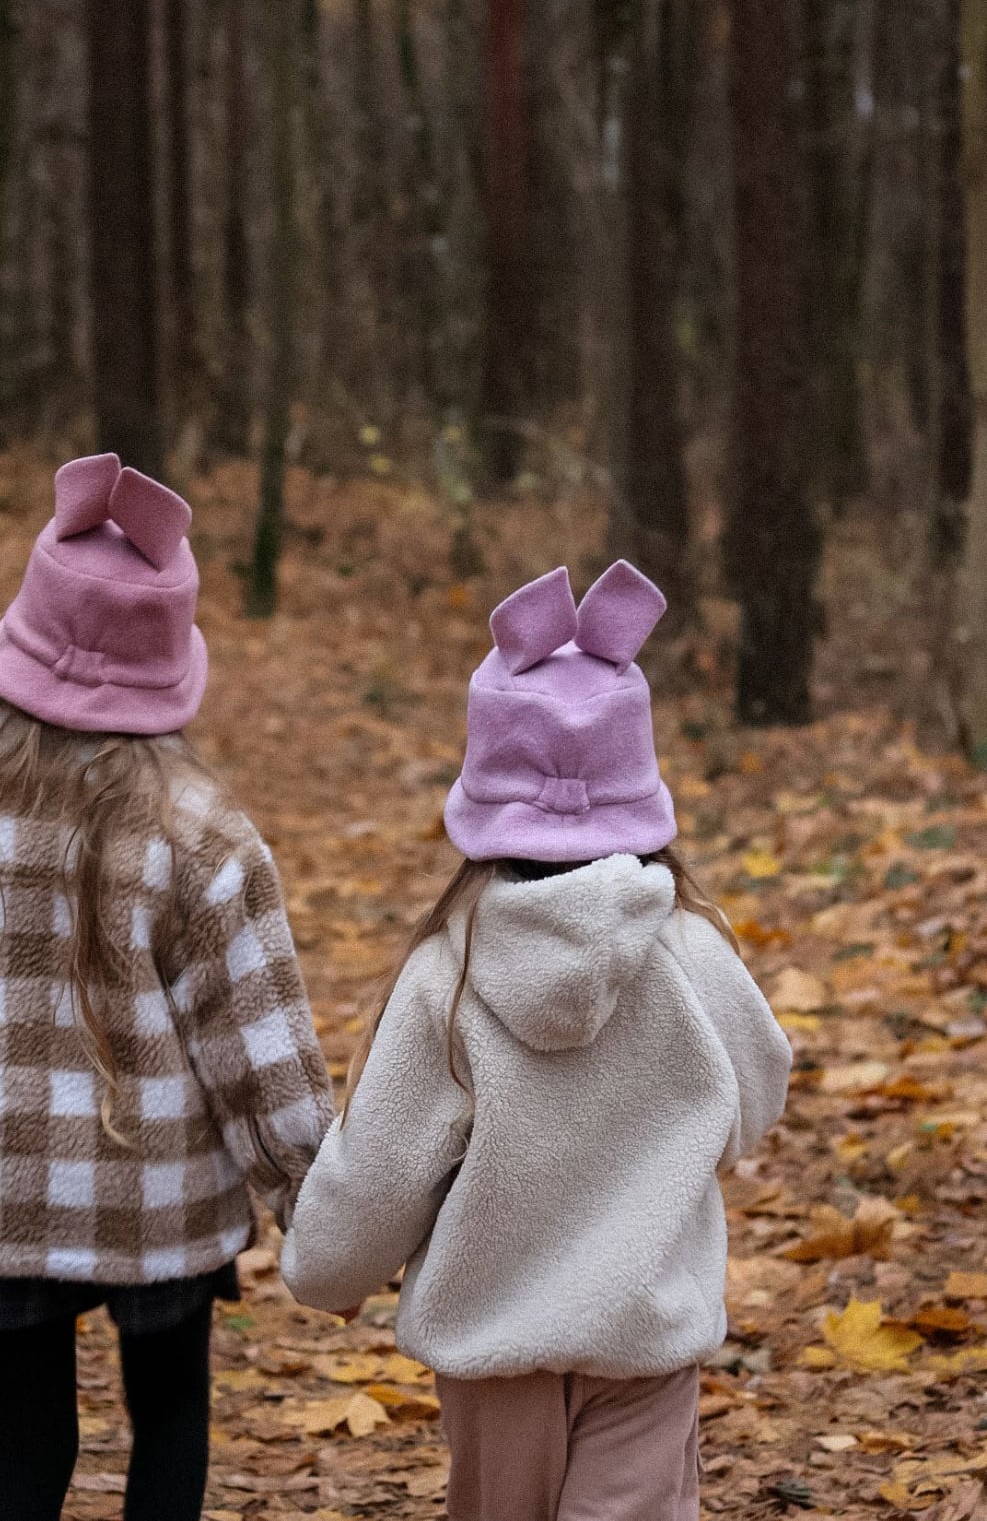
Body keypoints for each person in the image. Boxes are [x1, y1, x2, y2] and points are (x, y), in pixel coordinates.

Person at [0, 453, 333, 1521]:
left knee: (25, 1440)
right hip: (154, 1206)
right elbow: (259, 1053)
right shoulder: (200, 832)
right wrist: (322, 1206)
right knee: (170, 1416)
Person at [282, 561, 792, 1521]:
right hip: (646, 1332)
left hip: (493, 1347)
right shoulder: (691, 951)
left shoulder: (451, 971)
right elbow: (755, 1096)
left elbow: (382, 1164)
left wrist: (324, 1269)